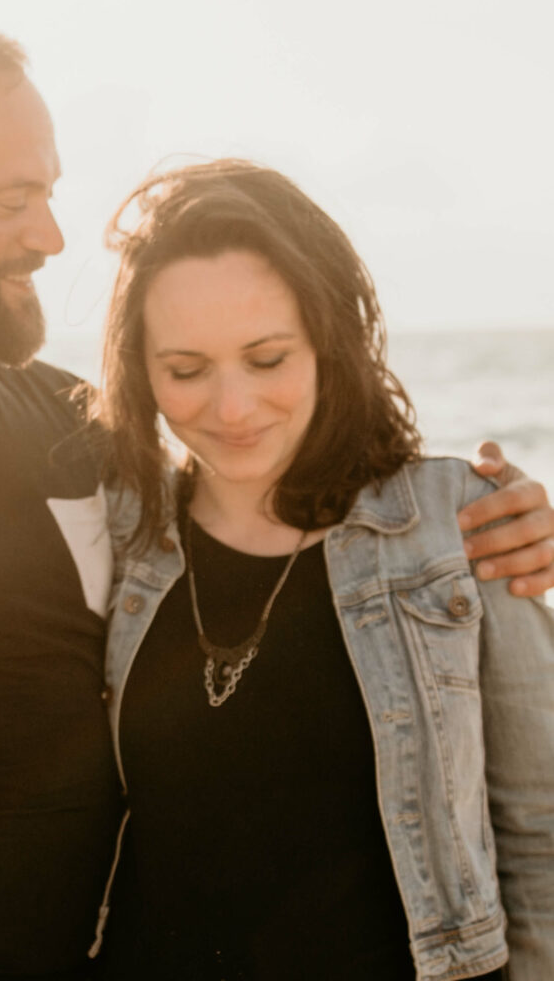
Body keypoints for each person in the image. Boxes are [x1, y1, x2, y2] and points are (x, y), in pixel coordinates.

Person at [0, 19, 550, 981]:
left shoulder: (75, 433)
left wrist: (504, 525)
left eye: (48, 194)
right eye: (14, 200)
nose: (49, 237)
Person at [93, 159, 554, 980]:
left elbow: (540, 828)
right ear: (141, 370)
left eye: (267, 359)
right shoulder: (118, 536)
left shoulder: (456, 523)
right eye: (186, 370)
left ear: (328, 345)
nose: (231, 409)